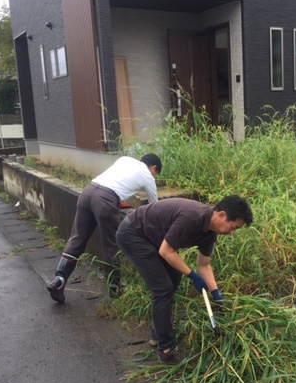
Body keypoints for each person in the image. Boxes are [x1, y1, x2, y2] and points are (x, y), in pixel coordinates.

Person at [115, 195, 253, 364]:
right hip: (134, 233)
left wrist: (216, 294)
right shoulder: (192, 217)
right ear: (222, 215)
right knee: (163, 289)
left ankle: (159, 331)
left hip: (155, 238)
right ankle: (166, 349)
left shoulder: (210, 232)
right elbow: (166, 251)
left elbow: (204, 264)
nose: (232, 233)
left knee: (174, 277)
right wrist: (192, 276)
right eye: (233, 227)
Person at [46, 153, 162, 304]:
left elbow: (114, 182)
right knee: (111, 245)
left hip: (88, 193)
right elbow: (155, 208)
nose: (154, 176)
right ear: (153, 168)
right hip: (105, 201)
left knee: (77, 238)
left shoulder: (125, 160)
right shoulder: (148, 176)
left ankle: (59, 279)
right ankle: (115, 287)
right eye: (156, 173)